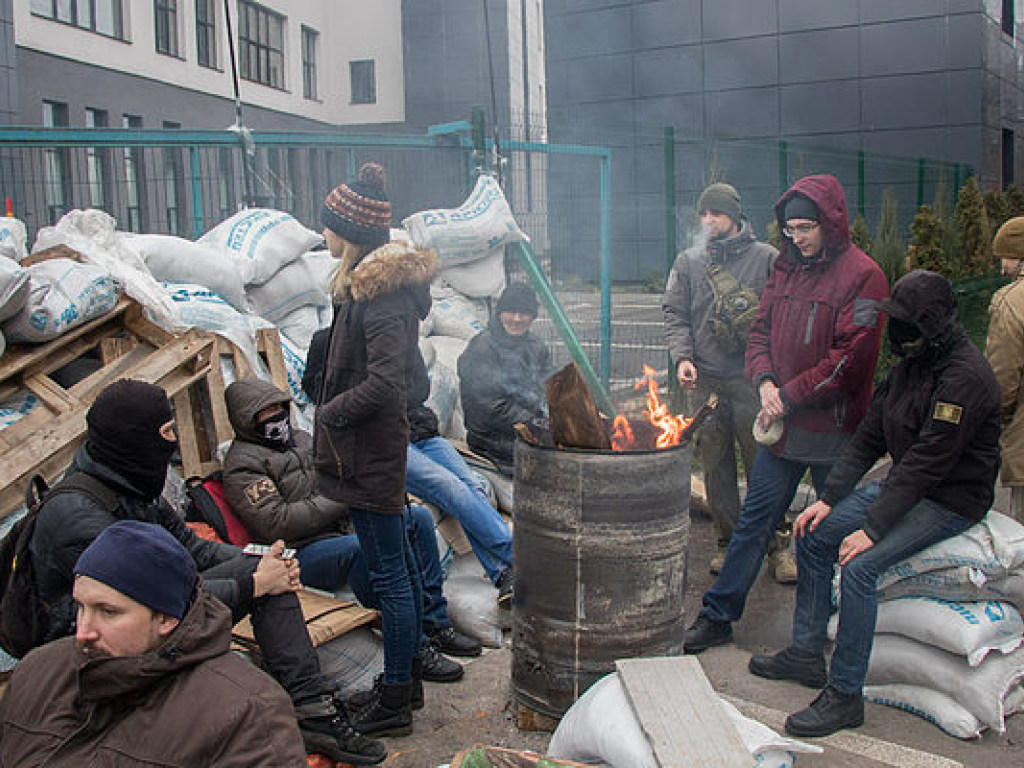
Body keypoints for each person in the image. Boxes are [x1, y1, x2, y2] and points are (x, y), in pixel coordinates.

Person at [27, 379, 386, 766]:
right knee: (258, 582)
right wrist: (252, 584)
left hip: (145, 611)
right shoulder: (79, 517)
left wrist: (264, 563)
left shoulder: (131, 485)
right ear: (133, 438)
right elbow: (149, 604)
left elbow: (191, 550)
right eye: (166, 433)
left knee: (263, 571)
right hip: (92, 645)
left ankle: (313, 710)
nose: (173, 443)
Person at [750, 270, 1001, 737]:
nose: (898, 334)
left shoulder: (965, 378)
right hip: (907, 483)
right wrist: (827, 499)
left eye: (909, 324)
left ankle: (845, 696)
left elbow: (929, 463)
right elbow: (868, 438)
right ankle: (806, 653)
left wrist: (872, 528)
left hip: (950, 497)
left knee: (862, 566)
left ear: (935, 325)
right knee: (813, 533)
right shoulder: (912, 368)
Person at [684, 173, 889, 654]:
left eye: (805, 228)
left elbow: (849, 361)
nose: (796, 238)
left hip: (834, 433)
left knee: (828, 534)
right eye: (791, 229)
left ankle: (818, 637)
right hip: (782, 431)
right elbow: (760, 332)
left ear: (830, 222)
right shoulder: (788, 269)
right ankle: (717, 616)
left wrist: (789, 393)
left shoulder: (864, 276)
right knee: (755, 522)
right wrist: (766, 382)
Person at [221, 377, 478, 686]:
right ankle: (415, 648)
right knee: (364, 550)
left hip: (339, 528)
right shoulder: (242, 467)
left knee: (417, 519)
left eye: (280, 407)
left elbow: (340, 472)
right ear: (247, 420)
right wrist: (342, 497)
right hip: (300, 552)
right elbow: (279, 522)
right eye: (266, 412)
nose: (276, 416)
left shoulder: (302, 439)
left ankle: (434, 622)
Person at [0, 520, 309, 767]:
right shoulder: (38, 669)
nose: (83, 631)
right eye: (82, 607)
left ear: (165, 618)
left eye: (108, 612)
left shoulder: (246, 714)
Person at [314, 161, 437, 737]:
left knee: (390, 572)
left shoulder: (381, 294)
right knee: (398, 565)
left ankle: (393, 698)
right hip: (370, 448)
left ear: (352, 232)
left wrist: (332, 413)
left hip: (369, 451)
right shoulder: (364, 287)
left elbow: (389, 381)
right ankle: (404, 682)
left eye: (329, 226)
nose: (323, 234)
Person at [305, 328, 516, 613]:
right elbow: (314, 390)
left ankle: (502, 572)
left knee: (473, 485)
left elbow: (419, 389)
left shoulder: (397, 336)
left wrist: (379, 390)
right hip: (381, 442)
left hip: (420, 431)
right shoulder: (327, 341)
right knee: (449, 488)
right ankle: (514, 558)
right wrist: (362, 394)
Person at [662, 182, 790, 580]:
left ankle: (778, 549)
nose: (707, 220)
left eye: (715, 212)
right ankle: (727, 544)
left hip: (754, 381)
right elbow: (675, 313)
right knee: (716, 467)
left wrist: (775, 374)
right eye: (702, 213)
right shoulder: (689, 262)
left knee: (764, 466)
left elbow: (783, 316)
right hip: (705, 383)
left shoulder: (767, 258)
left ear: (734, 215)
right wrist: (683, 357)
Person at [458, 281, 554, 475]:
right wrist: (537, 422)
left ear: (533, 316)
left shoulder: (536, 346)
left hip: (526, 428)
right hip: (493, 439)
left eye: (524, 313)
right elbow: (490, 409)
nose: (517, 319)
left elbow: (549, 385)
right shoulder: (483, 348)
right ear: (500, 312)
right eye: (511, 311)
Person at [985, 216, 1024, 523]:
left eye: (1006, 258)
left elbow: (1004, 375)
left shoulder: (1011, 303)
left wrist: (997, 419)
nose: (1002, 268)